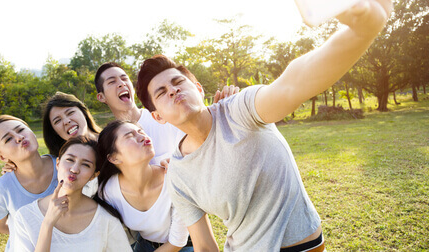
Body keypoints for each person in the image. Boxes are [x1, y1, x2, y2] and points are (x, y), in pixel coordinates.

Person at [135, 1, 392, 251]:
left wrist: (361, 31)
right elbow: (203, 245)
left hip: (300, 245)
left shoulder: (239, 108)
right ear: (157, 116)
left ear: (198, 88)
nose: (173, 90)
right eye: (161, 92)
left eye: (178, 82)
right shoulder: (179, 175)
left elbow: (291, 85)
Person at [94, 63, 238, 166]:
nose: (121, 84)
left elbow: (205, 135)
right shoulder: (113, 142)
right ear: (101, 97)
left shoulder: (168, 114)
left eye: (124, 78)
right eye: (112, 82)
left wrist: (221, 113)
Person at [13, 136, 132, 251]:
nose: (74, 169)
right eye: (70, 160)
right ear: (58, 163)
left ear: (93, 175)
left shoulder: (106, 220)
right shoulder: (25, 217)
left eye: (86, 164)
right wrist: (48, 223)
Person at [96, 120, 192, 252]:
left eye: (141, 132)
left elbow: (177, 242)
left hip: (184, 246)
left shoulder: (173, 179)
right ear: (114, 158)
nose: (142, 137)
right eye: (130, 136)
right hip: (144, 245)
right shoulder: (107, 191)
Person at [0, 115, 58, 251]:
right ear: (2, 157)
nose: (19, 138)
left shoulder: (64, 167)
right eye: (8, 139)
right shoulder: (2, 188)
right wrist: (29, 232)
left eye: (20, 130)